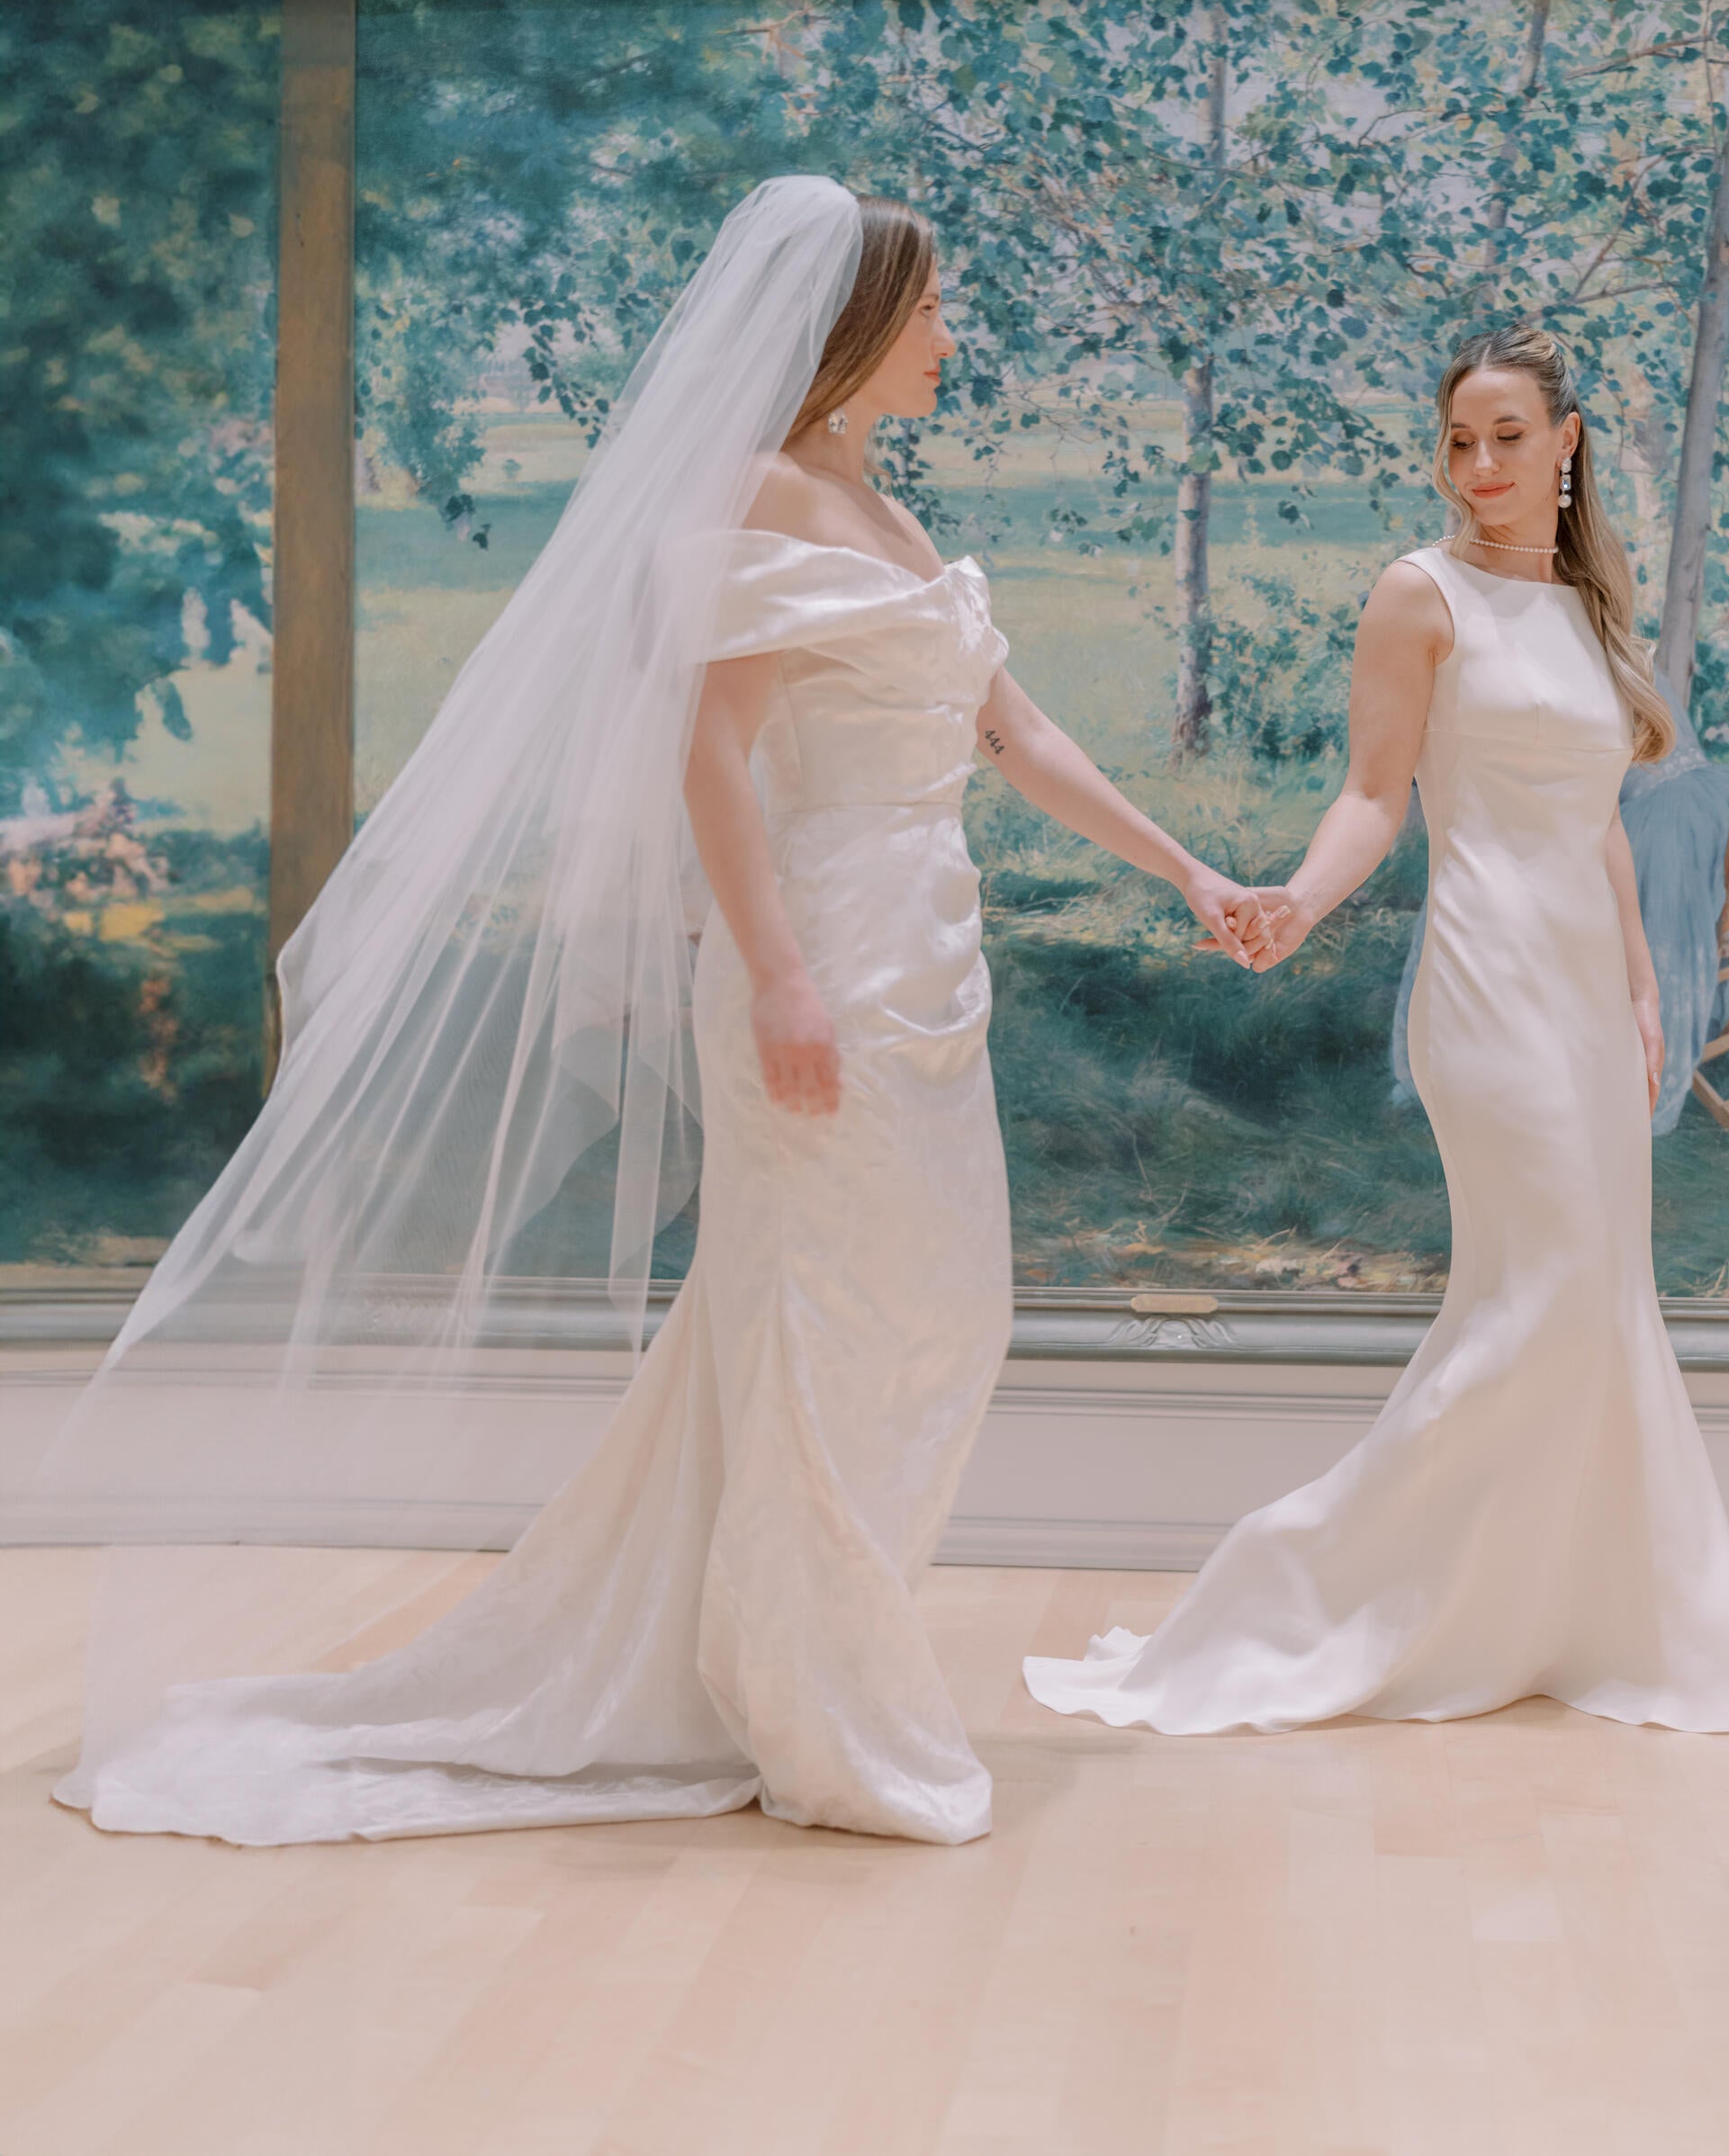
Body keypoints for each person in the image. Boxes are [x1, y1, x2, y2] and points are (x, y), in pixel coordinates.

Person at [49, 176, 1267, 1847]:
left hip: (932, 961)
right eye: (930, 313)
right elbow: (710, 755)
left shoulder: (889, 512)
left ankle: (768, 1652)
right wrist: (777, 971)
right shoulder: (762, 495)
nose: (949, 338)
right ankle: (818, 1709)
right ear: (852, 327)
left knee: (935, 1314)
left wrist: (1189, 870)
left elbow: (1017, 732)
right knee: (827, 1327)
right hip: (824, 948)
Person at [1026, 321, 1729, 1738]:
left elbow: (1603, 825)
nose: (1480, 465)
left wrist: (1643, 985)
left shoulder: (1581, 609)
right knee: (1542, 1295)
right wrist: (1299, 906)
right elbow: (1377, 797)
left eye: (1508, 436)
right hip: (1488, 988)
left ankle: (1556, 1609)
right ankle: (1302, 1586)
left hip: (1582, 993)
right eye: (1459, 440)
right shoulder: (1418, 595)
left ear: (1568, 442)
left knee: (1591, 1295)